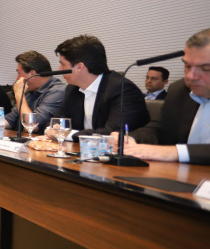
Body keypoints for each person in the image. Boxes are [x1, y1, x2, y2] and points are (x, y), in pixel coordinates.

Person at [113, 29, 210, 164]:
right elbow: (159, 127)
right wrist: (131, 139)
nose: (190, 76)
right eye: (187, 66)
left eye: (206, 68)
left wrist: (175, 152)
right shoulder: (180, 90)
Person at [51, 35, 150, 141]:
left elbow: (111, 133)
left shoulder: (123, 90)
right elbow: (56, 121)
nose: (59, 69)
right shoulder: (73, 89)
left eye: (63, 64)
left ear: (80, 67)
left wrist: (65, 134)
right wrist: (52, 129)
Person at [0, 51, 65, 133]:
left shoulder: (57, 91)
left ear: (32, 74)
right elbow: (9, 120)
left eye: (19, 73)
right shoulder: (30, 90)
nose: (17, 78)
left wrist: (20, 95)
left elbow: (31, 125)